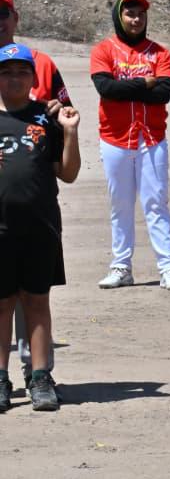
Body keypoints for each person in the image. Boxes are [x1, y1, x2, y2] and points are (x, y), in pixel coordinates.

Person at [0, 43, 81, 413]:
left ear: (33, 77)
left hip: (40, 226)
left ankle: (40, 377)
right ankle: (1, 378)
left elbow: (68, 173)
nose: (14, 78)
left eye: (21, 72)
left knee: (37, 302)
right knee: (1, 306)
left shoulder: (46, 118)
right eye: (6, 72)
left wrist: (70, 133)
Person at [90, 0, 170, 291]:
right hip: (115, 138)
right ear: (119, 15)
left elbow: (163, 94)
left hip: (151, 138)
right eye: (130, 13)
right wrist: (144, 82)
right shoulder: (104, 50)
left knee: (156, 202)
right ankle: (121, 266)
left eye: (141, 13)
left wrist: (127, 87)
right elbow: (106, 89)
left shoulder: (160, 53)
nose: (135, 19)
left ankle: (168, 268)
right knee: (121, 204)